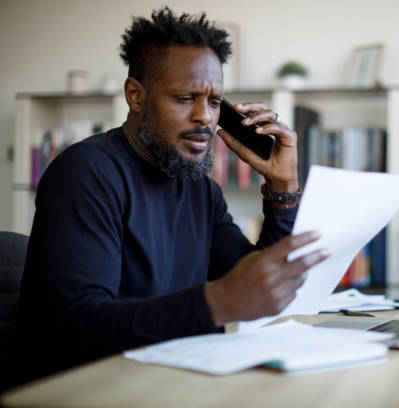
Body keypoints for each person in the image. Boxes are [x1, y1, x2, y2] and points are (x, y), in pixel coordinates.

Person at [14, 7, 329, 384]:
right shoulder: (85, 173)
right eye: (185, 98)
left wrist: (283, 186)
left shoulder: (200, 190)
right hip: (91, 389)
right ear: (135, 95)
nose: (205, 118)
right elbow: (76, 325)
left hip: (172, 379)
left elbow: (257, 291)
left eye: (215, 102)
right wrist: (216, 302)